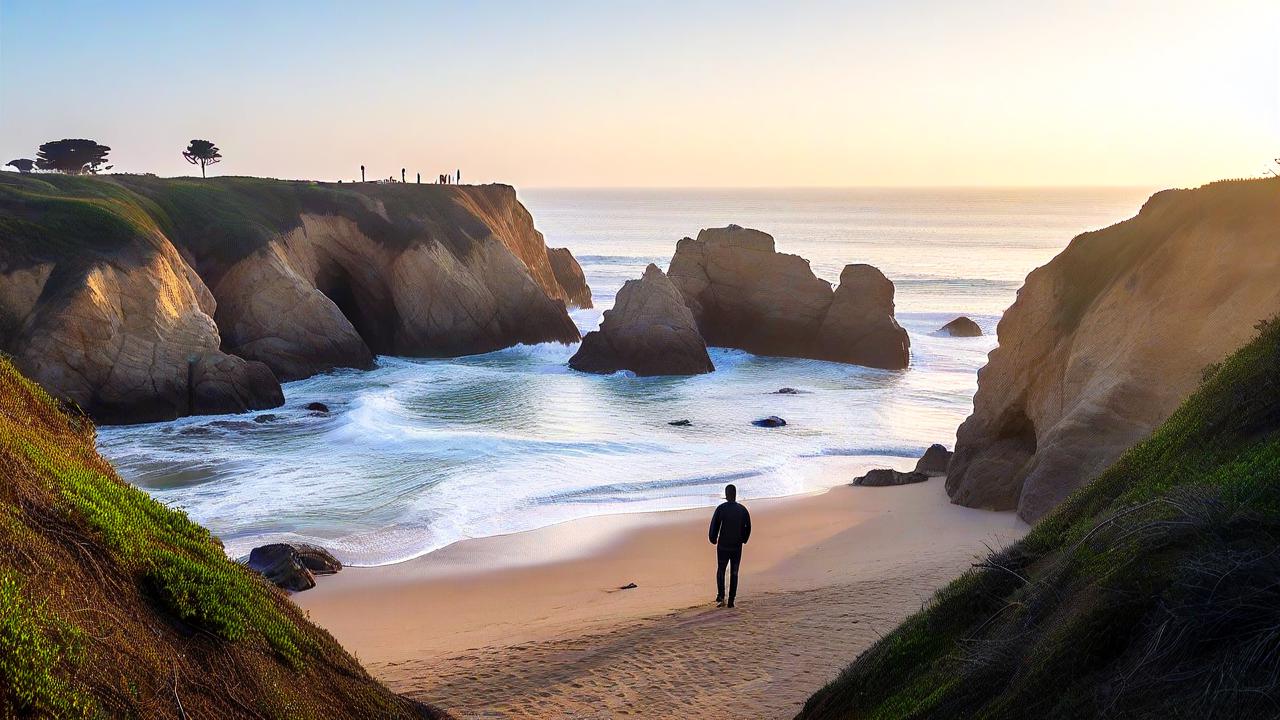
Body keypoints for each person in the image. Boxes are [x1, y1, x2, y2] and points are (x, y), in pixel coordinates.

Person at [708, 483, 751, 608]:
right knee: (734, 572)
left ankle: (721, 597)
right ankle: (731, 600)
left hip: (723, 547)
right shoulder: (742, 510)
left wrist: (713, 538)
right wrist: (744, 539)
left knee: (721, 570)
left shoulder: (721, 509)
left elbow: (714, 525)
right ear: (735, 495)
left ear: (726, 495)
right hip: (737, 547)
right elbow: (748, 526)